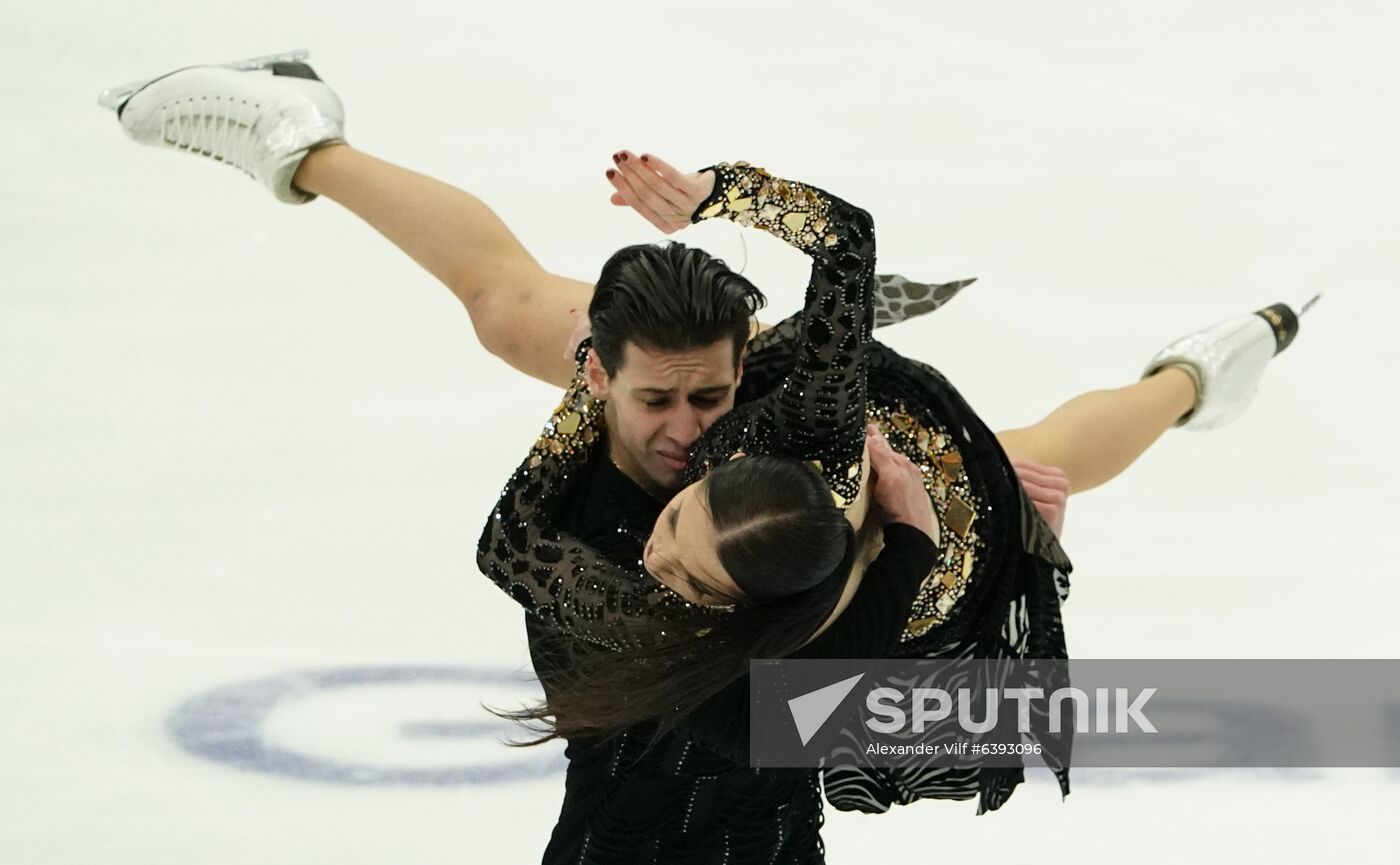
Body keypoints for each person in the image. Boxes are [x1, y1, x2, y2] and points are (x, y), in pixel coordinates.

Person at [104, 56, 1312, 864]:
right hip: (844, 485)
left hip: (841, 522)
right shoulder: (763, 447)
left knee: (1036, 464)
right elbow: (839, 245)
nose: (681, 443)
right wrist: (715, 209)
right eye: (659, 406)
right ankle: (297, 134)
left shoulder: (636, 584)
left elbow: (517, 541)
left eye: (704, 397)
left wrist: (978, 546)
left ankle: (1189, 378)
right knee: (508, 303)